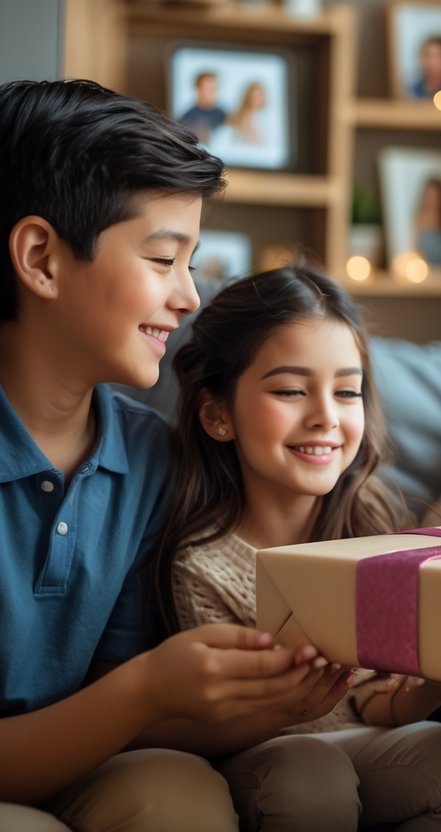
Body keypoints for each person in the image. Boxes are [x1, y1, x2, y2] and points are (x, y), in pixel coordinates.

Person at [0, 79, 329, 831]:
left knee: (177, 791)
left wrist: (268, 701)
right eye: (162, 259)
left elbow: (121, 708)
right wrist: (147, 690)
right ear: (42, 258)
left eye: (191, 263)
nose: (187, 299)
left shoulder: (149, 455)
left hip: (77, 764)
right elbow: (132, 696)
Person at [158, 264, 441, 831]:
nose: (326, 416)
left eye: (346, 391)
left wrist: (432, 688)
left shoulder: (370, 528)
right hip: (262, 756)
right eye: (291, 391)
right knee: (311, 772)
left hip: (359, 745)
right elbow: (224, 718)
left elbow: (375, 700)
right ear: (217, 413)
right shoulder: (201, 564)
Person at [179, 71, 227, 144]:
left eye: (214, 89)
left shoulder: (223, 114)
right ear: (198, 89)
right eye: (208, 89)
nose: (213, 93)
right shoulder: (188, 116)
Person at [227, 81, 267, 146]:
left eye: (260, 95)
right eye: (254, 96)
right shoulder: (240, 116)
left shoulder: (265, 117)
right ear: (248, 97)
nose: (258, 99)